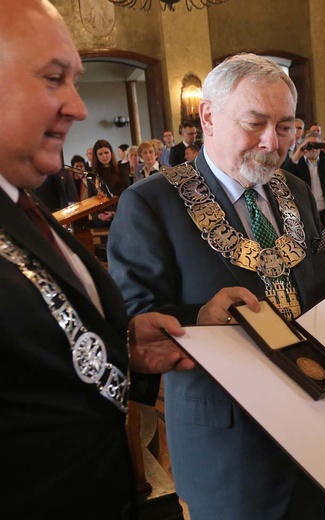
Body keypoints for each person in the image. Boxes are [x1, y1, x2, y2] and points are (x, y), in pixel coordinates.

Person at [108, 53, 325, 520]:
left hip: (315, 427)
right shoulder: (150, 203)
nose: (272, 142)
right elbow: (132, 316)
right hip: (227, 442)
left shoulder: (296, 191)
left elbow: (317, 278)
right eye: (255, 123)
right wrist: (199, 317)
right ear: (208, 115)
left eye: (285, 126)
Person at [0, 2, 195, 518]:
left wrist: (123, 345)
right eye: (53, 79)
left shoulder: (22, 200)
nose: (78, 107)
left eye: (76, 81)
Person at [284, 130, 325, 232]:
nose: (313, 149)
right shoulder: (297, 163)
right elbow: (284, 176)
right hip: (305, 212)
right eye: (310, 145)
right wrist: (297, 154)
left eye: (316, 145)